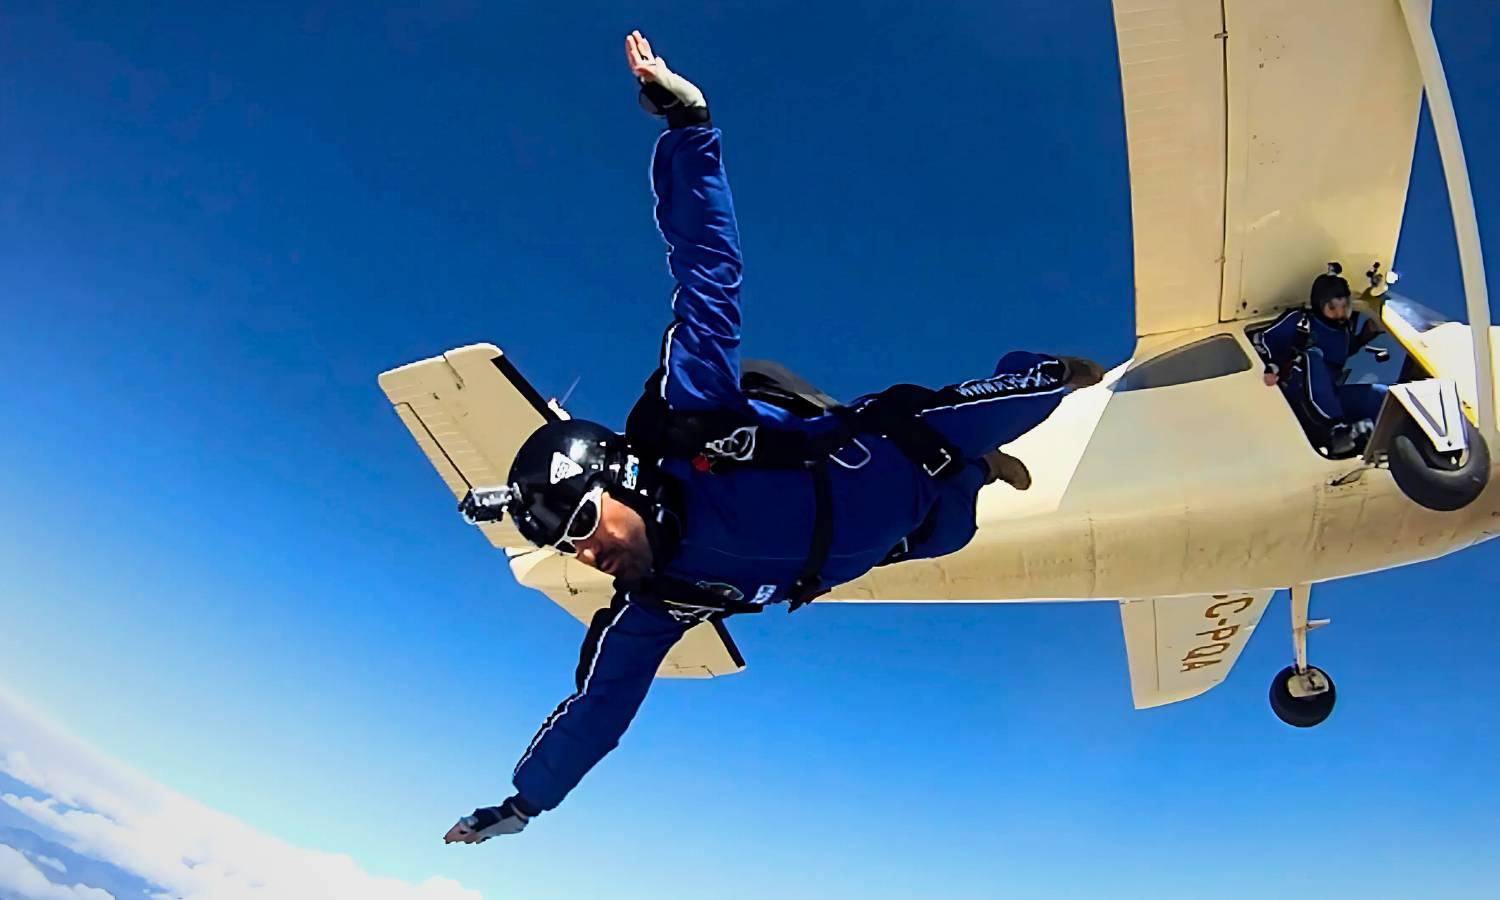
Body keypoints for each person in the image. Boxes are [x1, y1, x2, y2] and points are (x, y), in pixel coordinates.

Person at [443, 31, 1102, 844]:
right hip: (910, 535)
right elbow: (598, 711)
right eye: (568, 546)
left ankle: (1020, 387)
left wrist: (689, 129)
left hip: (899, 448)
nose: (585, 556)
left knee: (1036, 393)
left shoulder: (693, 419)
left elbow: (707, 271)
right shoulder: (657, 602)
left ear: (619, 477)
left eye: (581, 526)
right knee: (959, 521)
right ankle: (982, 472)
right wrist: (520, 806)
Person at [1253, 264, 1388, 456]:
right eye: (1332, 308)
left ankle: (1392, 443)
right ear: (1319, 304)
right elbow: (1263, 340)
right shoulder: (1301, 321)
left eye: (1344, 307)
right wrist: (1271, 366)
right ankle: (1335, 431)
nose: (1340, 314)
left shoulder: (1343, 331)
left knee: (1379, 395)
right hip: (1297, 390)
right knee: (1313, 355)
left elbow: (1337, 355)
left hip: (1330, 392)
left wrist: (1364, 337)